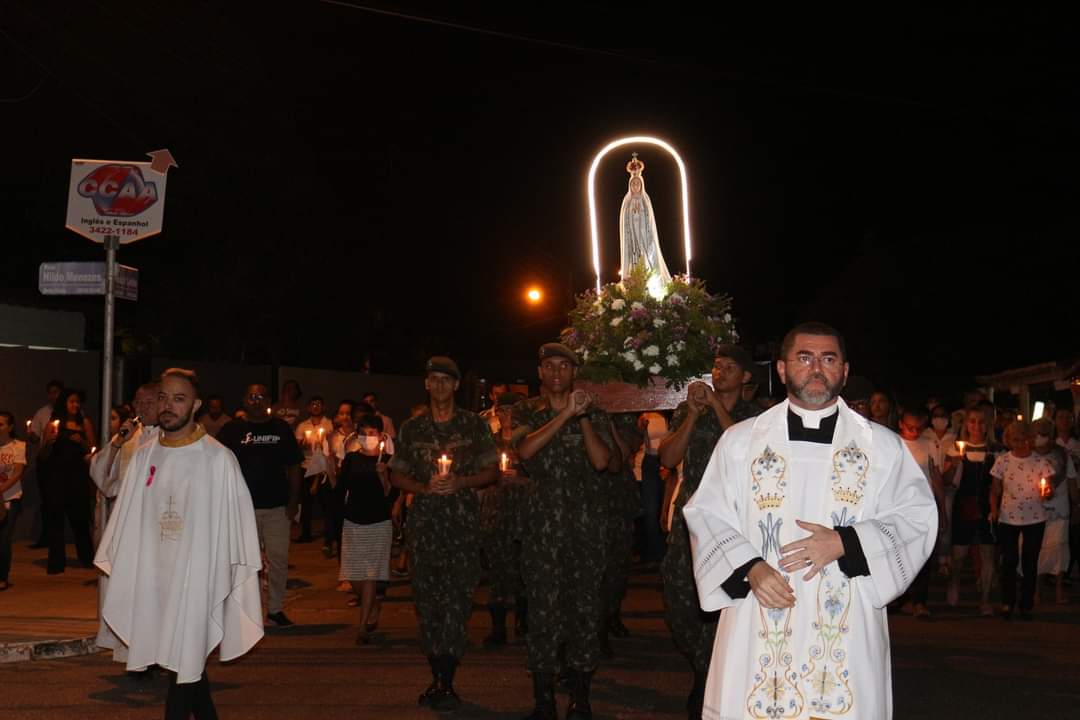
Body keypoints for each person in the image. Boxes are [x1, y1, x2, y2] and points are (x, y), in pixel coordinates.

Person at [682, 322, 936, 720]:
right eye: (805, 357)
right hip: (759, 606)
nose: (816, 368)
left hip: (846, 613)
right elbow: (706, 512)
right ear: (782, 369)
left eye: (828, 359)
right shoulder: (741, 442)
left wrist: (846, 543)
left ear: (845, 372)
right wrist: (749, 567)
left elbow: (917, 517)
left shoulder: (882, 446)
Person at [95, 368, 263, 719]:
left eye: (179, 398)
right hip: (154, 579)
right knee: (185, 668)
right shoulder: (143, 456)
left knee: (184, 662)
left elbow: (234, 526)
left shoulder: (218, 459)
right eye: (164, 398)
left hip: (197, 578)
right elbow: (128, 519)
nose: (168, 406)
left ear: (196, 404)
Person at [658, 344, 763, 719]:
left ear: (746, 376)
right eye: (716, 366)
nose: (719, 373)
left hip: (736, 522)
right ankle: (703, 667)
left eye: (729, 367)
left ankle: (708, 681)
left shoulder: (757, 415)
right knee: (680, 602)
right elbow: (668, 458)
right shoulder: (691, 410)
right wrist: (692, 416)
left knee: (726, 603)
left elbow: (748, 451)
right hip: (692, 521)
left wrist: (717, 407)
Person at [389, 356, 498, 712]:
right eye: (432, 380)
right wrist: (423, 489)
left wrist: (460, 482)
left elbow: (491, 470)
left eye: (445, 380)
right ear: (426, 385)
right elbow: (396, 474)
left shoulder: (473, 426)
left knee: (457, 601)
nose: (438, 386)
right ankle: (436, 671)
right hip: (425, 526)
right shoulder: (412, 428)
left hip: (462, 525)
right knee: (427, 602)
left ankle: (446, 678)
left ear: (455, 386)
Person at [512, 343, 613, 720]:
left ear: (574, 374)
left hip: (584, 531)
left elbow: (602, 461)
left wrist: (582, 417)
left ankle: (580, 696)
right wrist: (564, 414)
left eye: (564, 367)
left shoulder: (594, 413)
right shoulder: (525, 411)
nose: (556, 372)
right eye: (549, 366)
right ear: (540, 373)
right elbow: (525, 450)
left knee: (584, 612)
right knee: (542, 614)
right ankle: (542, 700)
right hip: (541, 532)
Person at [218, 384, 304, 627]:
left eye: (261, 397)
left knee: (278, 560)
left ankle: (275, 609)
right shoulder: (231, 430)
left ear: (268, 400)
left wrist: (294, 501)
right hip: (242, 509)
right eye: (251, 396)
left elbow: (295, 465)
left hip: (277, 507)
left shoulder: (280, 428)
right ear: (244, 400)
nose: (256, 401)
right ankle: (249, 611)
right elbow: (218, 465)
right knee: (246, 563)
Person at [90, 384, 159, 662]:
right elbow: (101, 476)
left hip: (157, 525)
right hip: (127, 521)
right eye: (137, 402)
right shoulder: (130, 436)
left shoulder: (173, 436)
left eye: (148, 401)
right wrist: (118, 442)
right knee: (126, 587)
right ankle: (131, 651)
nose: (141, 408)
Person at [335, 411, 396, 644]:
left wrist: (384, 478)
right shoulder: (351, 459)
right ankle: (374, 604)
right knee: (355, 575)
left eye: (372, 433)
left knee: (370, 574)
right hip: (353, 521)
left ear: (381, 436)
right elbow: (341, 489)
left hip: (378, 522)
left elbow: (392, 494)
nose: (367, 437)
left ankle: (362, 627)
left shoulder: (388, 460)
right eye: (363, 433)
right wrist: (331, 470)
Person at [990, 421, 1056, 619]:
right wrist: (993, 510)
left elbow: (1049, 490)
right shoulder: (1003, 460)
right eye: (1016, 440)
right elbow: (995, 489)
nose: (1021, 444)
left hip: (1035, 518)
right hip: (1008, 517)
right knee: (1009, 561)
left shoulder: (1041, 462)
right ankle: (1007, 602)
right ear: (1009, 440)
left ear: (1031, 440)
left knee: (1030, 561)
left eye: (1025, 439)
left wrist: (1047, 492)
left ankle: (1026, 603)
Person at [479, 391, 529, 648]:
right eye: (502, 410)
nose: (506, 415)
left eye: (511, 409)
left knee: (525, 570)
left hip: (524, 513)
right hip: (496, 513)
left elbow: (545, 478)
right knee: (498, 572)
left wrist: (520, 480)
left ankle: (524, 620)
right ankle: (498, 627)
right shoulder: (489, 442)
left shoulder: (530, 440)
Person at [945, 408, 998, 614]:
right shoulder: (956, 449)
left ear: (988, 425)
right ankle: (954, 582)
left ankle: (985, 599)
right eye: (973, 421)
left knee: (988, 553)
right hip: (963, 504)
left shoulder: (996, 450)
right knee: (959, 555)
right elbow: (947, 480)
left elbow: (997, 484)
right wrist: (954, 464)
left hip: (987, 506)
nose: (977, 426)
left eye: (982, 422)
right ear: (966, 424)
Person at [37, 388, 95, 574]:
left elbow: (93, 449)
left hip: (77, 477)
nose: (76, 405)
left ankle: (86, 558)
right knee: (55, 520)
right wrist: (50, 442)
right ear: (64, 403)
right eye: (72, 402)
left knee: (80, 519)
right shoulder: (52, 425)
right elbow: (42, 455)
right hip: (56, 477)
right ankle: (56, 563)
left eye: (78, 402)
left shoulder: (84, 423)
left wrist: (82, 442)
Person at [897, 410, 944, 619]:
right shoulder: (893, 443)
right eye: (910, 427)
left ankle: (920, 601)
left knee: (923, 554)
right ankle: (903, 598)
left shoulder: (928, 445)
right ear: (901, 424)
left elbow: (936, 477)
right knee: (900, 554)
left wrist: (942, 508)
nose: (914, 432)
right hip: (898, 508)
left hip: (924, 506)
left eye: (918, 427)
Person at [1032, 417, 1074, 603]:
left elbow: (1071, 480)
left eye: (1045, 432)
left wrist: (1077, 505)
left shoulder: (1062, 455)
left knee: (1058, 549)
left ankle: (1059, 591)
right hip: (1034, 510)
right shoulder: (1027, 454)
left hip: (1059, 508)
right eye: (1038, 432)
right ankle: (1036, 590)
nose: (1041, 436)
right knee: (1037, 549)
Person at [619, 153, 672, 297]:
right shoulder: (627, 202)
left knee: (646, 261)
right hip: (632, 239)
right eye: (633, 184)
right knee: (634, 262)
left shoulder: (645, 201)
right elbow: (624, 222)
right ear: (630, 186)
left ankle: (651, 288)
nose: (635, 186)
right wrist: (632, 216)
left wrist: (640, 216)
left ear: (641, 185)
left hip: (644, 236)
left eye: (637, 184)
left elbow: (649, 220)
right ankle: (634, 288)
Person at [923, 404, 958, 574]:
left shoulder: (954, 437)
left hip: (949, 486)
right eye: (936, 415)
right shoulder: (925, 436)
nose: (940, 419)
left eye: (943, 415)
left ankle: (944, 558)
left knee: (946, 520)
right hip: (929, 487)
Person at [294, 396, 334, 544]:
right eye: (313, 404)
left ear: (324, 407)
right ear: (308, 408)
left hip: (323, 467)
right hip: (307, 467)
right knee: (306, 503)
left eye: (319, 404)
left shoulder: (329, 424)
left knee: (327, 503)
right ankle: (305, 534)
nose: (316, 406)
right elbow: (296, 447)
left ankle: (331, 534)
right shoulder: (302, 426)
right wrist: (303, 445)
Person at [0, 411, 27, 591]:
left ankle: (2, 576)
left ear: (9, 427)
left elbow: (17, 473)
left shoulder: (18, 446)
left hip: (10, 497)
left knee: (3, 538)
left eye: (1, 424)